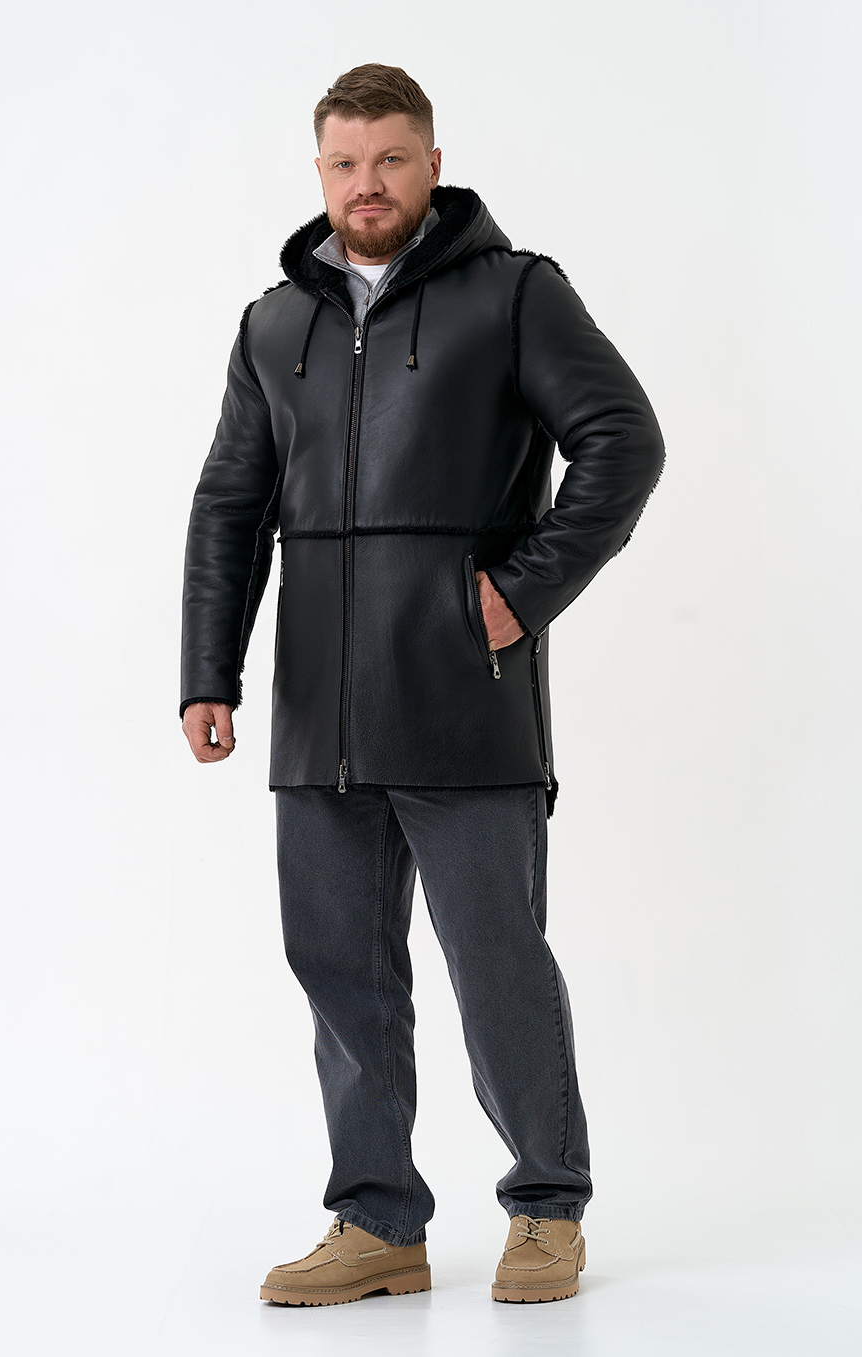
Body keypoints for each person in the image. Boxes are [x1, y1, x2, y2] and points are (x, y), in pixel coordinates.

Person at [180, 63, 664, 1307]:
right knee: (339, 974)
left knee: (496, 963)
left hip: (462, 696)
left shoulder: (512, 294)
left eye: (389, 159)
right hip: (317, 715)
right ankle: (376, 1219)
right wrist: (207, 671)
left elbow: (621, 439)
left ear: (431, 165)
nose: (367, 185)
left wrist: (519, 590)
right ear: (320, 173)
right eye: (344, 164)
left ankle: (545, 1205)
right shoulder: (271, 325)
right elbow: (229, 504)